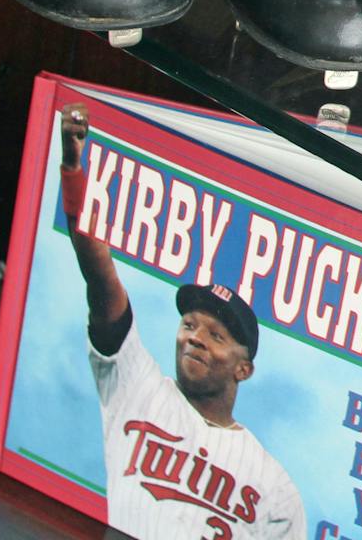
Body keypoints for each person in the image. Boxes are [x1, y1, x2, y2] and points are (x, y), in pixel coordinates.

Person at [60, 105, 305, 540]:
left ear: (243, 369)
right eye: (190, 324)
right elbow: (101, 278)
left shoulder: (276, 487)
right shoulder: (134, 385)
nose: (196, 338)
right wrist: (74, 172)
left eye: (216, 335)